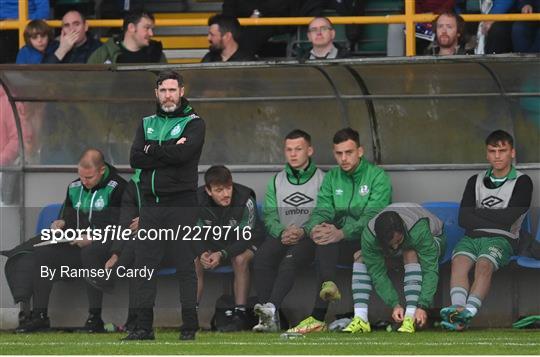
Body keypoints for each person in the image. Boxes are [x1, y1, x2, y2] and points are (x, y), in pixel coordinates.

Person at [287, 127, 392, 334]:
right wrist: (314, 228)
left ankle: (322, 316)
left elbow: (372, 217)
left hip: (370, 239)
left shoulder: (378, 176)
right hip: (342, 238)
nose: (343, 158)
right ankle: (320, 304)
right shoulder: (332, 177)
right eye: (339, 153)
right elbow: (322, 209)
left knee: (331, 239)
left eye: (349, 152)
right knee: (322, 240)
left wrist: (341, 232)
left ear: (360, 151)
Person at [127, 70, 205, 341]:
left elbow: (184, 155)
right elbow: (135, 158)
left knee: (185, 265)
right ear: (156, 93)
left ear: (182, 91)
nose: (168, 95)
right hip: (151, 206)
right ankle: (143, 328)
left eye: (173, 90)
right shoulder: (146, 122)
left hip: (181, 204)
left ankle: (189, 328)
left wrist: (153, 150)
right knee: (144, 267)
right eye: (163, 90)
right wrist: (167, 150)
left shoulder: (194, 122)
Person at [15, 148, 126, 333]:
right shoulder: (74, 187)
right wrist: (60, 224)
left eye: (88, 178)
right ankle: (40, 316)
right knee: (42, 252)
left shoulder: (118, 187)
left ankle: (95, 318)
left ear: (101, 170)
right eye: (81, 176)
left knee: (90, 252)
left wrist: (93, 237)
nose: (84, 182)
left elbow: (120, 226)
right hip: (76, 244)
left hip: (104, 248)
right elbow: (68, 217)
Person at [440, 130, 533, 331]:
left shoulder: (523, 181)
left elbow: (510, 219)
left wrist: (479, 212)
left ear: (512, 152)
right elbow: (463, 218)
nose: (497, 156)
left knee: (484, 263)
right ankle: (457, 312)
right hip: (472, 236)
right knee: (459, 262)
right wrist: (495, 215)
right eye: (492, 151)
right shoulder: (475, 180)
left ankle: (469, 312)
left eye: (502, 150)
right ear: (487, 154)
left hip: (503, 239)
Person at [252, 129, 325, 332]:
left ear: (309, 150)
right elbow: (270, 214)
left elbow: (323, 212)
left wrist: (304, 231)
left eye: (298, 149)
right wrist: (282, 232)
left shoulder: (323, 179)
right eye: (289, 150)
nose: (293, 154)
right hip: (283, 235)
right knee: (261, 259)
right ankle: (270, 320)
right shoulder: (277, 180)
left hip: (309, 238)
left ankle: (270, 310)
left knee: (288, 262)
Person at [342, 203, 446, 334]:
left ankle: (410, 316)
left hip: (435, 238)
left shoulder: (418, 230)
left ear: (402, 230)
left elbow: (430, 269)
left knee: (409, 253)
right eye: (392, 244)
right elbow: (377, 273)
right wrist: (394, 304)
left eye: (398, 240)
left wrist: (422, 305)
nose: (396, 247)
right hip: (401, 244)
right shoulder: (369, 236)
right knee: (360, 256)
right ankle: (360, 318)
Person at [193, 165, 264, 331]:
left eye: (229, 188)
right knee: (193, 259)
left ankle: (240, 314)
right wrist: (202, 252)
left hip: (248, 240)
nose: (226, 194)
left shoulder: (245, 199)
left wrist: (222, 254)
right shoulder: (196, 200)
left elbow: (245, 238)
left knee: (239, 259)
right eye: (219, 190)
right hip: (214, 243)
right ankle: (190, 315)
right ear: (208, 191)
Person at [87, 11, 167, 64]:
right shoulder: (104, 53)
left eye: (152, 29)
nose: (151, 33)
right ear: (131, 27)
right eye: (146, 28)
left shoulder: (156, 53)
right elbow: (89, 81)